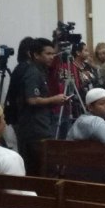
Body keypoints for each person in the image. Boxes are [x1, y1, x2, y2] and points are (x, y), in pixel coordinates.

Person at [16, 38, 68, 176]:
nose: (52, 57)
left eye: (53, 54)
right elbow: (32, 100)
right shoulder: (32, 72)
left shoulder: (41, 70)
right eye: (48, 54)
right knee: (41, 168)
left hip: (42, 124)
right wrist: (54, 99)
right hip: (34, 129)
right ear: (36, 55)